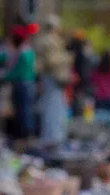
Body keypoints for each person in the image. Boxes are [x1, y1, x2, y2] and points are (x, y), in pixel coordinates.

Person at [36, 15, 73, 144]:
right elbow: (51, 61)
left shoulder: (51, 40)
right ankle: (52, 137)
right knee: (52, 109)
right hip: (51, 78)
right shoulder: (48, 41)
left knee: (57, 108)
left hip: (54, 80)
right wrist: (67, 58)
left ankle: (55, 136)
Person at [4, 26, 37, 139]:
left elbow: (16, 71)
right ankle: (26, 133)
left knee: (23, 110)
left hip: (22, 84)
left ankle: (24, 135)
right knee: (25, 109)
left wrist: (3, 77)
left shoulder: (21, 53)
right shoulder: (28, 50)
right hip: (28, 83)